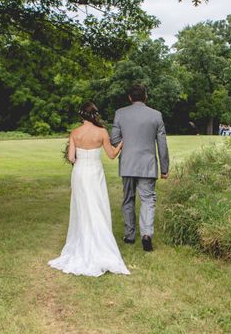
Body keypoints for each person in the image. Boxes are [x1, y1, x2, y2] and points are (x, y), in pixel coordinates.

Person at [48, 102, 129, 277]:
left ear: (81, 115)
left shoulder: (75, 133)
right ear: (94, 114)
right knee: (97, 206)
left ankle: (83, 242)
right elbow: (112, 155)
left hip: (79, 173)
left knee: (82, 207)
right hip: (94, 173)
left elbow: (71, 158)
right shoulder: (101, 132)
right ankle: (101, 244)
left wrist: (80, 157)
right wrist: (121, 144)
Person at [110, 84, 169, 252]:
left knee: (128, 198)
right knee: (148, 200)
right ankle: (146, 235)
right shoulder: (156, 115)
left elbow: (114, 139)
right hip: (147, 165)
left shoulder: (120, 113)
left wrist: (127, 147)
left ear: (130, 97)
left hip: (127, 163)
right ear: (146, 96)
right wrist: (164, 168)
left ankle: (129, 235)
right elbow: (162, 145)